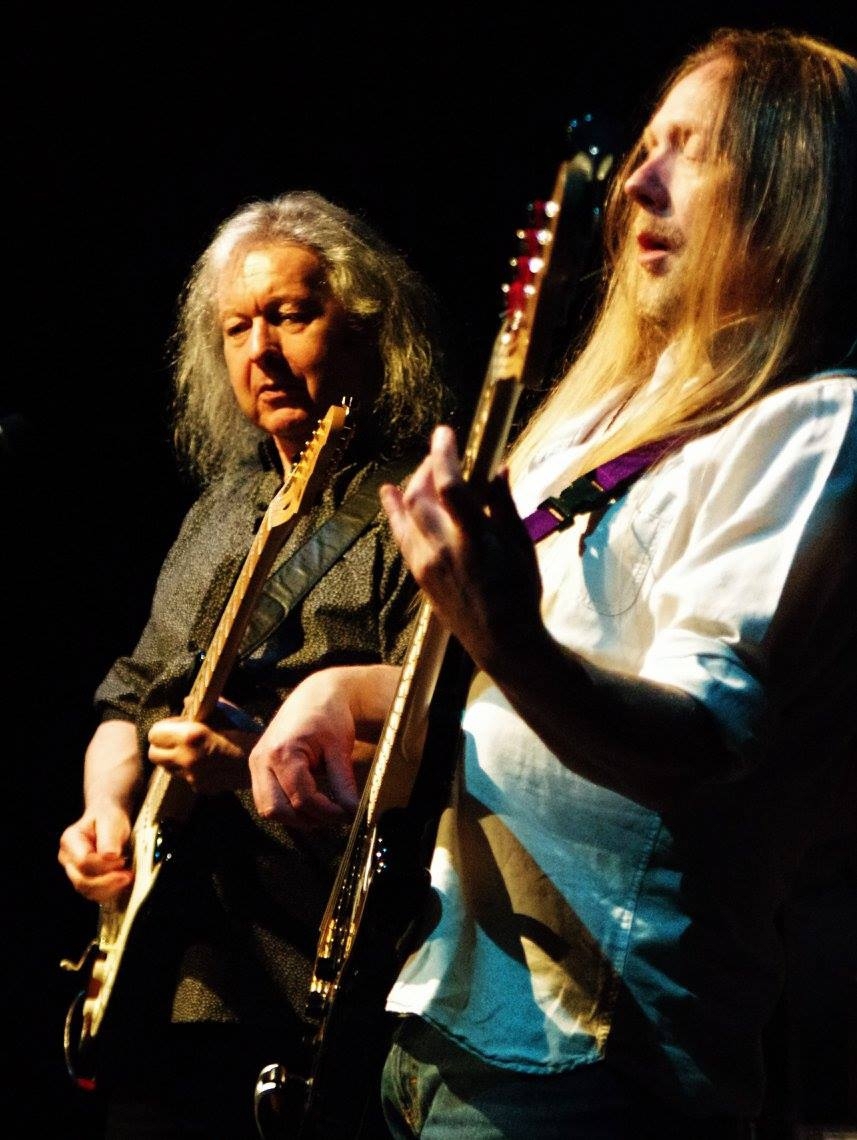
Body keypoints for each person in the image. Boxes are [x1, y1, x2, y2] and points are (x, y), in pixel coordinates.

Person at [247, 27, 857, 1139]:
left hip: (586, 1057)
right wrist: (343, 692)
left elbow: (699, 743)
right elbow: (505, 685)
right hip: (438, 1013)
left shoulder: (813, 422)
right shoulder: (605, 413)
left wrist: (506, 635)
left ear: (792, 183)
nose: (638, 181)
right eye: (643, 146)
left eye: (691, 150)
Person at [57, 189, 453, 1138]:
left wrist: (252, 764)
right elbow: (130, 701)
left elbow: (439, 743)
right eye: (237, 327)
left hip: (315, 981)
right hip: (165, 969)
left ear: (364, 327)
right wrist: (104, 813)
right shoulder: (218, 510)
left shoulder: (415, 508)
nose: (259, 351)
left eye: (289, 316)